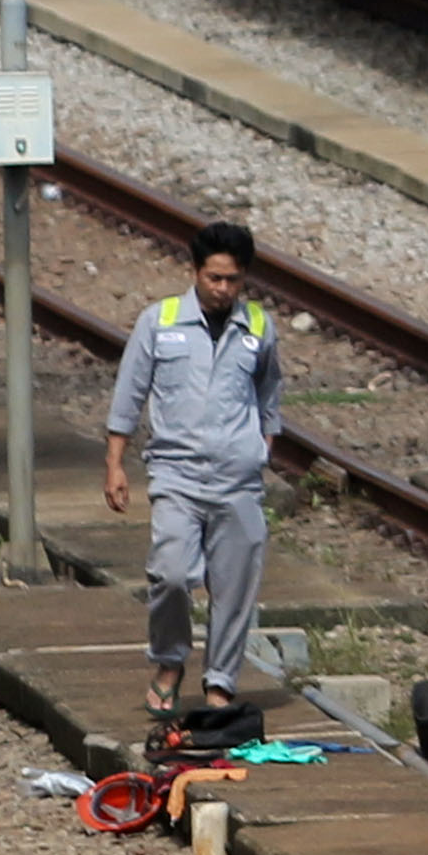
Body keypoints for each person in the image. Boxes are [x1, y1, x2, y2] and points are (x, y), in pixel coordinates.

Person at [104, 219, 283, 717]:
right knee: (172, 574)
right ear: (196, 272)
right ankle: (169, 661)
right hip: (177, 475)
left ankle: (220, 681)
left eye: (233, 280)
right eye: (214, 278)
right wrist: (115, 463)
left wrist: (263, 446)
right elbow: (129, 394)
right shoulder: (159, 321)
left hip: (238, 480)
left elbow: (269, 394)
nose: (223, 289)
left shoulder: (259, 328)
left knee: (234, 586)